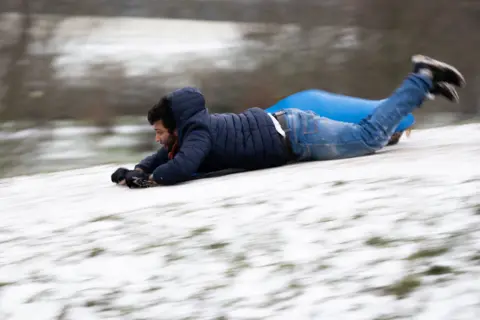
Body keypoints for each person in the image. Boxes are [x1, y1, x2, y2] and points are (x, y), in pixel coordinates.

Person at [111, 54, 465, 188]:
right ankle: (424, 86)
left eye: (159, 132)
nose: (157, 139)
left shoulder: (196, 135)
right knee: (364, 135)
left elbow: (182, 166)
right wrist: (138, 170)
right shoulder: (189, 131)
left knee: (368, 137)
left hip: (298, 137)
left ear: (174, 126)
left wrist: (154, 180)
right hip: (291, 129)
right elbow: (166, 157)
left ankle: (420, 78)